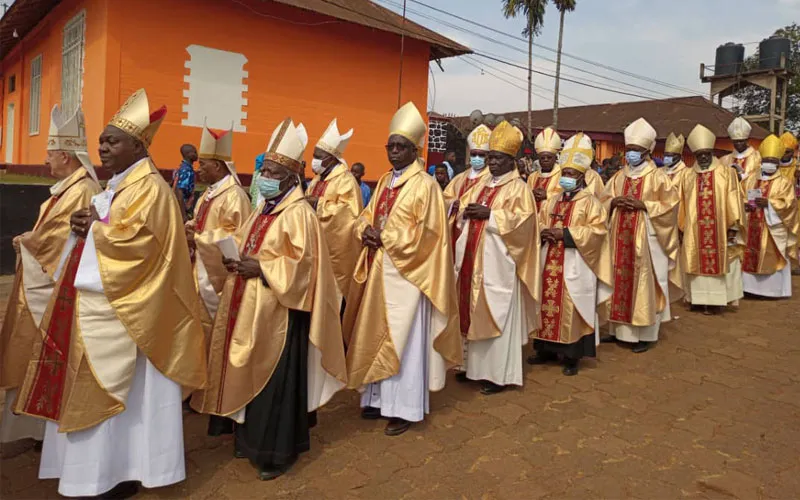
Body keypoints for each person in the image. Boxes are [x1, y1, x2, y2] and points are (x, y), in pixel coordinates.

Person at [15, 89, 207, 498]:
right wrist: (90, 223)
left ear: (138, 145)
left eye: (112, 140)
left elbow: (143, 246)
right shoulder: (119, 184)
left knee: (121, 395)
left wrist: (95, 231)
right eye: (101, 140)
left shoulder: (150, 188)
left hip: (129, 312)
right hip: (103, 303)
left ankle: (109, 474)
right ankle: (113, 469)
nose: (102, 147)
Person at [191, 118, 347, 480]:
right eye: (264, 169)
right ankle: (248, 440)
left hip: (281, 315)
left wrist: (260, 268)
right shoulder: (264, 209)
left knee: (274, 384)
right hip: (249, 306)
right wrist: (224, 253)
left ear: (292, 178)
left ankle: (277, 452)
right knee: (247, 371)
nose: (265, 176)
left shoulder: (299, 214)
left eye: (274, 172)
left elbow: (303, 266)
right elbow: (245, 242)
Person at [342, 102, 461, 437]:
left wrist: (387, 237)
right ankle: (377, 398)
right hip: (380, 271)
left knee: (404, 341)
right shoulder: (383, 181)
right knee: (374, 334)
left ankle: (406, 407)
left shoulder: (425, 185)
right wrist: (363, 229)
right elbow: (368, 214)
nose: (394, 152)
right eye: (390, 146)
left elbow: (430, 234)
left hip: (409, 277)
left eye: (401, 147)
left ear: (415, 149)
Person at [0, 105, 101, 447]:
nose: (45, 160)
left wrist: (29, 242)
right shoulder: (68, 187)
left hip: (56, 291)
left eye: (50, 153)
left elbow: (66, 241)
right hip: (41, 283)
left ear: (66, 155)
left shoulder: (82, 190)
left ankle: (43, 430)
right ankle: (27, 427)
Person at [452, 121, 539, 394]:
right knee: (469, 312)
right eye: (490, 157)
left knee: (495, 314)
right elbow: (462, 208)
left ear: (511, 160)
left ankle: (497, 375)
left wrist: (491, 215)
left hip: (498, 267)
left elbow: (524, 224)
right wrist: (464, 211)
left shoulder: (519, 188)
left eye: (498, 158)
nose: (492, 162)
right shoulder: (481, 184)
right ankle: (471, 368)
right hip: (471, 261)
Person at [529, 131, 611, 376]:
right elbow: (539, 221)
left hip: (575, 261)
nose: (566, 177)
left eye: (572, 174)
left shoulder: (590, 202)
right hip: (549, 259)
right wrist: (544, 232)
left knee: (571, 306)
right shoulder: (553, 200)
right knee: (546, 303)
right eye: (564, 173)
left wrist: (565, 235)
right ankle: (545, 350)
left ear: (582, 177)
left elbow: (597, 231)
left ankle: (571, 356)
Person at [600, 118, 681, 354]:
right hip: (618, 238)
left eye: (636, 150)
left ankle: (646, 334)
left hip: (646, 240)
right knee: (618, 279)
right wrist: (614, 202)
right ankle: (617, 331)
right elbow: (603, 201)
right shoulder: (618, 177)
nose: (631, 154)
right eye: (629, 150)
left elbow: (671, 205)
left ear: (647, 152)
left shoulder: (658, 177)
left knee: (644, 281)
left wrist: (644, 205)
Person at [186, 124, 251, 340]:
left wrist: (197, 239)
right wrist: (189, 228)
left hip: (214, 277)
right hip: (198, 269)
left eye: (202, 165)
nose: (199, 169)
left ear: (216, 165)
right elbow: (201, 220)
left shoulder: (234, 196)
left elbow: (236, 238)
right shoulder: (209, 193)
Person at [676, 124, 744, 315]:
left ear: (712, 152)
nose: (703, 157)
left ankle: (716, 302)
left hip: (720, 229)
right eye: (699, 154)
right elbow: (681, 202)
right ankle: (696, 300)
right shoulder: (687, 175)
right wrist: (681, 227)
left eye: (706, 153)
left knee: (719, 263)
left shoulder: (726, 173)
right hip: (694, 230)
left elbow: (734, 200)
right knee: (693, 262)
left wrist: (733, 227)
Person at [306, 118, 362, 308]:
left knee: (331, 302)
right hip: (313, 247)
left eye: (318, 156)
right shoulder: (317, 180)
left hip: (334, 255)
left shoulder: (346, 181)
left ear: (330, 158)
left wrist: (319, 204)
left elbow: (349, 214)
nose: (314, 160)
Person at [740, 135, 799, 298]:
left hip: (772, 228)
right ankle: (749, 289)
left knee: (771, 255)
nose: (770, 164)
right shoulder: (750, 179)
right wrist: (745, 205)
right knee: (749, 252)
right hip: (752, 224)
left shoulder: (784, 183)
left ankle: (772, 291)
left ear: (778, 162)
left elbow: (790, 204)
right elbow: (741, 196)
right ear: (761, 160)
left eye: (773, 160)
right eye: (767, 160)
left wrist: (770, 204)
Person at [527, 127, 563, 211]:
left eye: (549, 157)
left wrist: (547, 195)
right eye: (542, 158)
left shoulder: (562, 174)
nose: (545, 160)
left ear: (555, 158)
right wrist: (531, 194)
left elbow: (565, 196)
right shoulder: (532, 177)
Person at [172, 143, 198, 216]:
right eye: (195, 152)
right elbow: (179, 191)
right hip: (182, 208)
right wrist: (183, 215)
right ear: (188, 154)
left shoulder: (182, 168)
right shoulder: (186, 170)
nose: (197, 154)